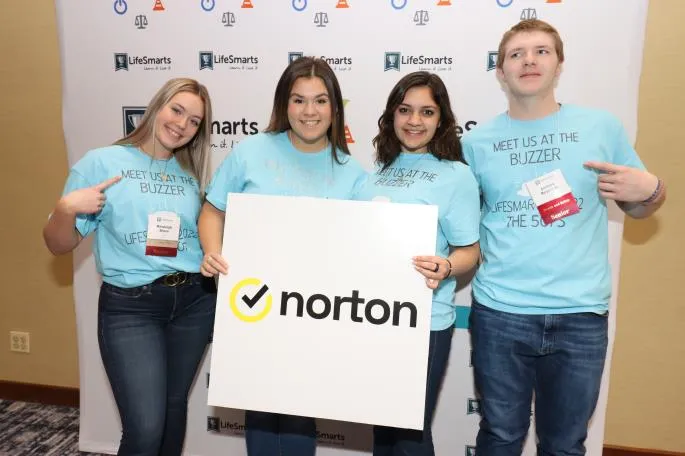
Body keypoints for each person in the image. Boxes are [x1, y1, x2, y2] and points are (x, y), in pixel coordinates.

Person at [461, 19, 667, 455]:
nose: (529, 60)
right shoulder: (476, 144)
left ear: (559, 65)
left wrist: (652, 190)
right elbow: (461, 224)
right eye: (516, 54)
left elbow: (641, 203)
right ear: (500, 73)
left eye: (541, 51)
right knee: (499, 437)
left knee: (565, 444)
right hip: (501, 313)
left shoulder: (600, 128)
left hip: (580, 316)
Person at [197, 57, 366, 456]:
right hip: (253, 303)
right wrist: (212, 252)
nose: (310, 112)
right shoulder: (251, 151)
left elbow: (359, 246)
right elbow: (212, 210)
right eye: (299, 100)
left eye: (321, 101)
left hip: (314, 310)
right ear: (283, 104)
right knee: (257, 410)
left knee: (299, 412)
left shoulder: (352, 171)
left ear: (335, 107)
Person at [43, 78, 217, 456]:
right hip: (132, 307)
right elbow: (58, 244)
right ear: (157, 106)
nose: (182, 124)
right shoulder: (103, 162)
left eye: (194, 121)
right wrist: (65, 209)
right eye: (177, 110)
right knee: (145, 428)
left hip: (193, 302)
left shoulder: (189, 175)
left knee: (173, 412)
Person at [354, 71, 481, 456]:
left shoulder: (456, 175)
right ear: (391, 115)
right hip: (371, 316)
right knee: (383, 430)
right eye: (405, 110)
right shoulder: (374, 173)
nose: (414, 121)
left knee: (410, 432)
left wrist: (445, 266)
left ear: (441, 119)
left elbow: (469, 251)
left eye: (427, 112)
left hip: (423, 322)